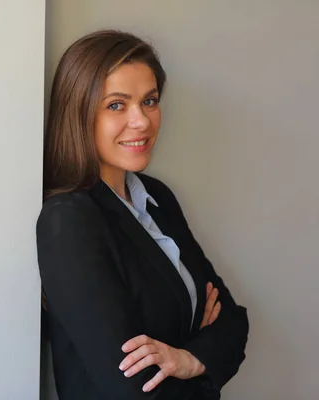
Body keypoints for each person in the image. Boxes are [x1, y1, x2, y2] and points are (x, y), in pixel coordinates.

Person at [36, 30, 249, 400]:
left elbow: (233, 319)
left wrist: (189, 360)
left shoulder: (157, 197)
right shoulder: (68, 220)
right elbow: (131, 388)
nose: (142, 122)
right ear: (80, 111)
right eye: (116, 105)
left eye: (149, 101)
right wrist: (201, 347)